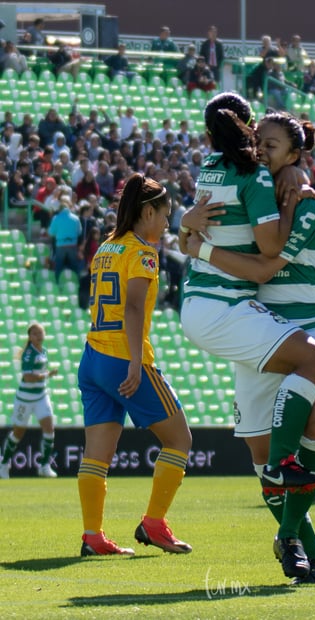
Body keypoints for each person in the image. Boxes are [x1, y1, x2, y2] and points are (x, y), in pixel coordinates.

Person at [178, 93, 315, 577]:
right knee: (265, 454)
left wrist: (192, 239)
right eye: (258, 140)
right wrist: (190, 235)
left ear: (294, 153)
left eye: (272, 144)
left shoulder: (289, 193)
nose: (262, 149)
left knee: (304, 424)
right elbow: (264, 261)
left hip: (284, 321)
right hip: (248, 315)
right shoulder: (256, 175)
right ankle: (296, 538)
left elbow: (267, 259)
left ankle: (296, 544)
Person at [77, 172, 192, 557]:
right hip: (123, 359)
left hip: (92, 358)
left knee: (96, 455)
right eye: (164, 214)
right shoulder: (142, 253)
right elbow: (133, 307)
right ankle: (154, 524)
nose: (166, 222)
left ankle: (93, 536)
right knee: (179, 440)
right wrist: (134, 363)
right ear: (146, 212)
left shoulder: (106, 248)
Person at [0, 323, 58, 479]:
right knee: (18, 433)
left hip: (41, 396)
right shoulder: (28, 354)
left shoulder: (44, 352)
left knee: (49, 428)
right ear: (30, 337)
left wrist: (45, 376)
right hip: (25, 399)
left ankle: (44, 466)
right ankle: (4, 463)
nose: (39, 336)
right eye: (35, 333)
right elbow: (28, 377)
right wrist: (47, 375)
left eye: (41, 332)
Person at [48, 194, 82, 282]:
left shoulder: (56, 218)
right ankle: (77, 282)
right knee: (74, 265)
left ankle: (57, 282)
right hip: (72, 244)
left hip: (60, 244)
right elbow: (79, 232)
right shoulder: (76, 218)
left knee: (58, 265)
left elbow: (51, 232)